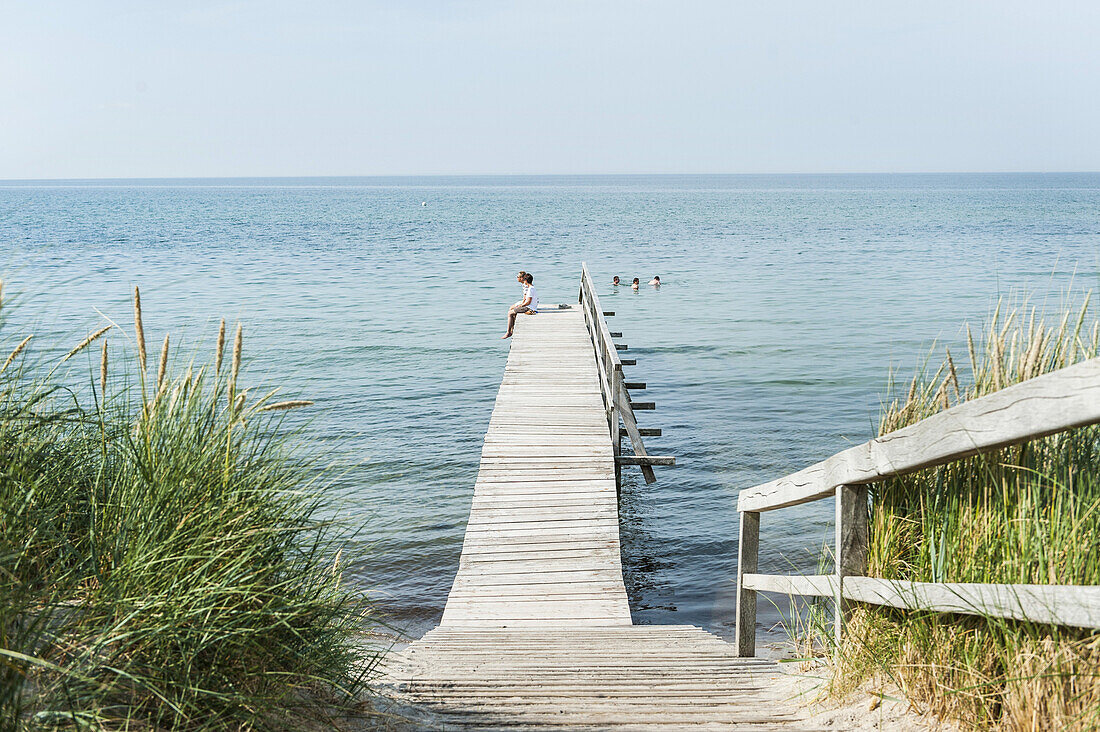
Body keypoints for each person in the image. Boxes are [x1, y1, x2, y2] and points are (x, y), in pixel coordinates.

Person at [502, 272, 538, 339]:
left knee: (509, 313)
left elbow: (528, 301)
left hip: (528, 307)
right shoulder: (532, 288)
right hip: (530, 306)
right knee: (513, 312)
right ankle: (512, 330)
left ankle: (508, 332)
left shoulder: (530, 289)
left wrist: (521, 305)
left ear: (526, 280)